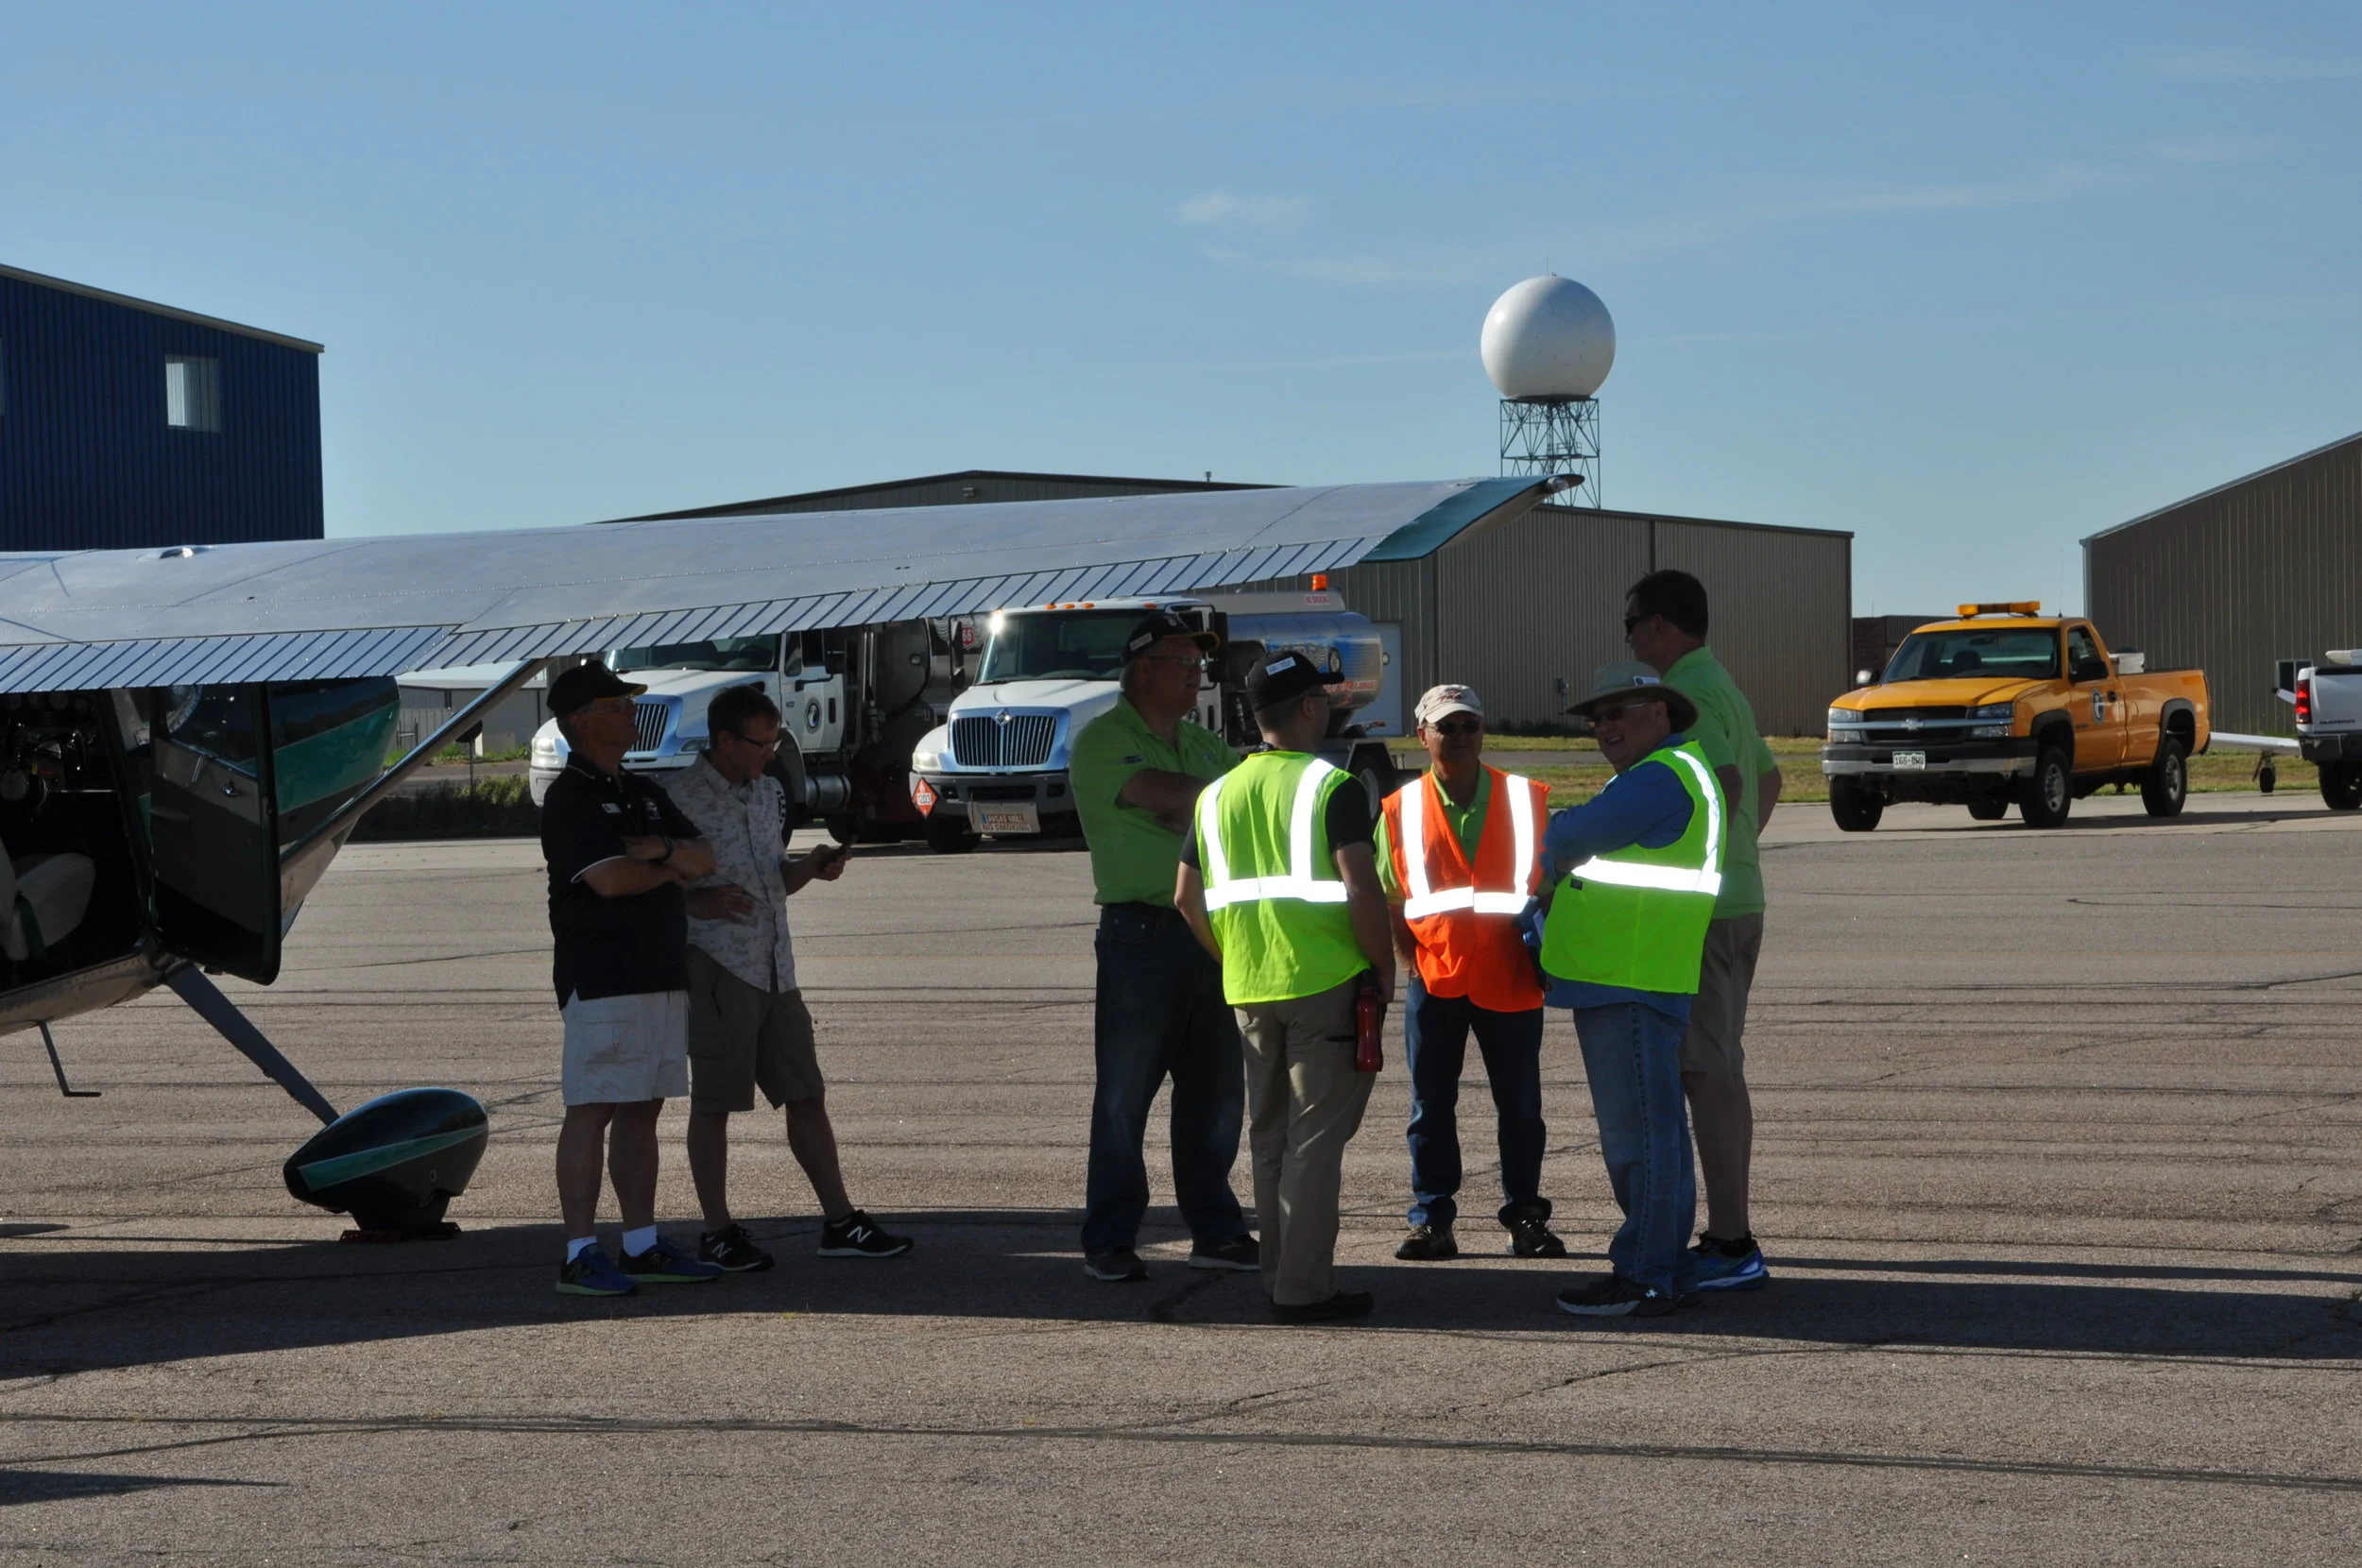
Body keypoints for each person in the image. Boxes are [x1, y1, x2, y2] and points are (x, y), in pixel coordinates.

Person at [1174, 651, 1395, 1323]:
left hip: (1249, 986)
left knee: (1269, 1136)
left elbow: (1185, 897)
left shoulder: (1215, 794)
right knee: (1314, 1141)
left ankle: (1279, 1276)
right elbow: (1362, 888)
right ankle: (1303, 1288)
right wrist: (1384, 970)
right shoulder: (1333, 786)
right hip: (1325, 982)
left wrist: (1232, 957)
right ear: (1306, 708)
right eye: (1322, 698)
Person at [664, 683, 911, 1272]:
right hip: (719, 966)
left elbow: (775, 875)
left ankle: (840, 1221)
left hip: (777, 968)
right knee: (715, 1103)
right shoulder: (676, 797)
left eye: (775, 742)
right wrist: (693, 904)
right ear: (724, 739)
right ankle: (716, 1231)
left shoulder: (770, 791)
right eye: (761, 743)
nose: (770, 754)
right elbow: (646, 886)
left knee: (806, 1094)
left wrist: (811, 867)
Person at [1068, 610, 1257, 1283]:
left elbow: (1230, 806)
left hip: (1210, 931)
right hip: (1141, 937)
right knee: (1125, 1097)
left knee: (1216, 1095)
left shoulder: (1201, 742)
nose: (1197, 674)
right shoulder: (1102, 740)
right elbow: (1170, 794)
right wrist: (1198, 805)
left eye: (1198, 663)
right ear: (1144, 669)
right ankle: (1110, 1237)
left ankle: (1216, 1229)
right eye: (1184, 662)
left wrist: (1189, 808)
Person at [1537, 662, 1726, 1318]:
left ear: (1660, 712)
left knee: (1639, 1139)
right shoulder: (1668, 771)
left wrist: (1562, 831)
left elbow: (1567, 836)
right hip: (1635, 977)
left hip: (1630, 979)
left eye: (1618, 712)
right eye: (1597, 718)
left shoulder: (1659, 777)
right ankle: (1664, 1270)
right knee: (1656, 1134)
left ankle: (1645, 1272)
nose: (1604, 727)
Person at [539, 660, 727, 1296]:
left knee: (643, 1108)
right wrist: (672, 868)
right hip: (604, 977)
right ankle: (579, 1252)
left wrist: (666, 853)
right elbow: (612, 880)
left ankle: (641, 1243)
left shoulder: (643, 790)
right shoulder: (571, 797)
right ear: (583, 722)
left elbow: (705, 857)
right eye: (618, 706)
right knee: (593, 1109)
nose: (632, 713)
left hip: (659, 971)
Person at [1624, 570, 1778, 1292]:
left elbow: (1731, 780)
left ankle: (1730, 1241)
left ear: (1659, 626)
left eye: (1631, 624)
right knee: (1720, 1068)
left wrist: (1706, 860)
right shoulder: (1724, 685)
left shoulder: (1686, 691)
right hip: (1739, 898)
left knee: (1705, 1073)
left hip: (1710, 911)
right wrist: (1739, 852)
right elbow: (1769, 780)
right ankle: (1729, 1235)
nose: (1628, 638)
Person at [1376, 684, 1564, 1262]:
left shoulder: (1525, 799)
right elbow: (1390, 899)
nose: (1459, 736)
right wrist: (1410, 964)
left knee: (1522, 1109)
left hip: (1511, 979)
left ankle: (1526, 1218)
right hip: (1435, 980)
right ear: (1422, 735)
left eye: (1469, 726)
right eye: (1446, 727)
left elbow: (1550, 891)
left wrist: (1546, 957)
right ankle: (1432, 1220)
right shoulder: (1400, 808)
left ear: (1482, 731)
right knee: (1430, 1108)